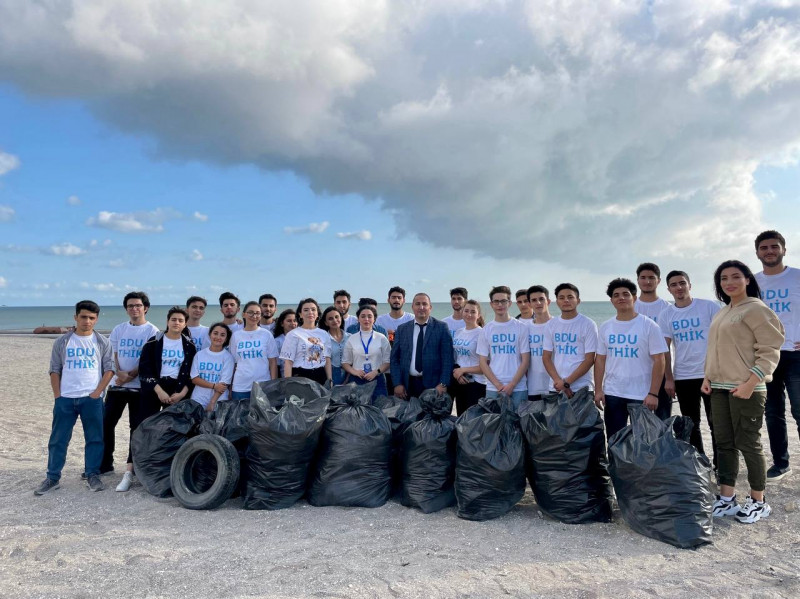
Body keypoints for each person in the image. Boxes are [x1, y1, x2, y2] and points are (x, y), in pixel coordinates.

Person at [703, 260, 784, 523]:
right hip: (719, 388)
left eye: (735, 276)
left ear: (748, 279)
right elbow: (715, 348)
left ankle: (759, 501)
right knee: (724, 444)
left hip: (746, 387)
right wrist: (707, 377)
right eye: (723, 278)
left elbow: (771, 349)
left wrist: (751, 382)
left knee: (749, 443)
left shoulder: (757, 309)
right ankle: (727, 498)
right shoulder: (723, 311)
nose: (729, 283)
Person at [35, 300, 115, 495]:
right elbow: (54, 369)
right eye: (83, 317)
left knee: (95, 439)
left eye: (91, 318)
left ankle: (92, 474)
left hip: (92, 398)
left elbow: (109, 369)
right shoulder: (62, 341)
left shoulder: (102, 341)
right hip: (66, 398)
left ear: (96, 320)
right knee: (58, 439)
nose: (87, 321)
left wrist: (97, 393)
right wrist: (58, 396)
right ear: (76, 317)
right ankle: (52, 477)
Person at [117, 306, 197, 492]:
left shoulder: (189, 346)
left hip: (178, 391)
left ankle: (169, 471)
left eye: (180, 320)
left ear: (185, 324)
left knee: (178, 431)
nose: (176, 323)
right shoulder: (153, 342)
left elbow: (192, 373)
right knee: (142, 428)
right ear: (168, 321)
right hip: (154, 389)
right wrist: (158, 390)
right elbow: (145, 369)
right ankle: (130, 472)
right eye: (173, 319)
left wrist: (183, 393)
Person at [594, 278, 668, 439]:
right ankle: (615, 465)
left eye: (625, 294)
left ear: (634, 298)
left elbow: (659, 360)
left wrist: (654, 393)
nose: (621, 298)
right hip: (613, 392)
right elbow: (600, 359)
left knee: (643, 441)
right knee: (614, 439)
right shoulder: (606, 326)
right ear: (612, 301)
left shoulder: (649, 325)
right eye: (616, 295)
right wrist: (598, 389)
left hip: (641, 395)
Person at [660, 270, 720, 466]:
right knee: (691, 423)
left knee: (716, 424)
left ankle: (722, 465)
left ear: (689, 285)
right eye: (674, 285)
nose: (679, 287)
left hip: (711, 374)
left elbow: (723, 338)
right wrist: (669, 378)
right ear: (668, 289)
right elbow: (665, 349)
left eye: (682, 283)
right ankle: (700, 461)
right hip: (684, 376)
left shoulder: (708, 307)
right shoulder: (666, 314)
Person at [754, 230, 800, 481]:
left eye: (774, 246)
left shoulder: (797, 277)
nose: (769, 251)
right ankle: (781, 463)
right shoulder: (752, 282)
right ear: (757, 253)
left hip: (794, 354)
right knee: (772, 413)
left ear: (784, 249)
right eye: (764, 248)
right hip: (764, 355)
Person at [100, 291, 159, 476]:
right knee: (106, 423)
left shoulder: (153, 331)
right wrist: (119, 373)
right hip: (118, 386)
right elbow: (113, 353)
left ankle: (132, 466)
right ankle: (105, 464)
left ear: (145, 308)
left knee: (137, 428)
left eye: (138, 305)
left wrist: (132, 374)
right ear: (126, 309)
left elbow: (148, 359)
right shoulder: (119, 329)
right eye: (131, 306)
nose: (134, 308)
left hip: (140, 389)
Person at [390, 292, 453, 398]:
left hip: (434, 386)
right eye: (418, 304)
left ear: (430, 307)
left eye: (425, 304)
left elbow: (448, 358)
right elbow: (394, 358)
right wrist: (397, 383)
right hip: (407, 386)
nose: (421, 307)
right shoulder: (402, 329)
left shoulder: (441, 328)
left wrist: (443, 384)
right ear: (412, 307)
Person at [477, 286, 531, 407]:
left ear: (510, 303)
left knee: (518, 424)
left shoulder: (521, 327)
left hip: (518, 387)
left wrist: (512, 384)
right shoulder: (486, 330)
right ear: (491, 304)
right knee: (495, 424)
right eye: (496, 301)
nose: (500, 305)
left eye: (503, 301)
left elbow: (526, 360)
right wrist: (497, 385)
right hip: (493, 387)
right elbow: (482, 362)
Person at [542, 283, 598, 400]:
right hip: (556, 387)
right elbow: (546, 357)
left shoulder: (588, 324)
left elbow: (589, 359)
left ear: (578, 300)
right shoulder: (551, 325)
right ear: (556, 301)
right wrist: (558, 381)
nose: (566, 300)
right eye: (561, 298)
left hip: (581, 387)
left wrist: (567, 382)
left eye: (570, 297)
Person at [634, 262, 672, 418]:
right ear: (638, 280)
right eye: (643, 277)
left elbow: (668, 345)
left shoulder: (667, 308)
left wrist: (670, 377)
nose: (647, 281)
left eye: (651, 277)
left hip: (661, 372)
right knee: (639, 422)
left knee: (662, 421)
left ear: (659, 281)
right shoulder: (632, 306)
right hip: (636, 372)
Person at [229, 301, 279, 399]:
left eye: (257, 313)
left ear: (260, 316)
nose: (254, 316)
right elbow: (234, 363)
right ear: (244, 314)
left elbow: (273, 363)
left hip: (263, 386)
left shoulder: (266, 334)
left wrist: (273, 385)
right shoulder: (236, 335)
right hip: (240, 387)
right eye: (250, 312)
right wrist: (230, 387)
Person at [342, 305, 391, 398]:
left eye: (369, 316)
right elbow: (345, 363)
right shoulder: (351, 338)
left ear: (374, 319)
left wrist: (376, 372)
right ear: (358, 319)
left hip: (377, 379)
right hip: (357, 380)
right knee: (358, 410)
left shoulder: (382, 338)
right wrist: (355, 372)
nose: (366, 319)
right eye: (363, 316)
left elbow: (387, 361)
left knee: (380, 407)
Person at [281, 298, 332, 385]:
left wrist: (330, 381)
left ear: (317, 314)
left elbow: (327, 359)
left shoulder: (324, 334)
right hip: (300, 376)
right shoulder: (293, 334)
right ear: (300, 314)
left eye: (313, 309)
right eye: (306, 310)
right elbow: (288, 362)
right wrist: (288, 384)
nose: (310, 312)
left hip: (320, 375)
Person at [451, 299, 487, 414]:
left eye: (473, 312)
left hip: (477, 384)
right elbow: (457, 358)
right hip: (460, 381)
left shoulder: (482, 333)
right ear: (462, 312)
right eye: (466, 311)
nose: (469, 314)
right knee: (461, 419)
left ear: (478, 315)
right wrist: (457, 373)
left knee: (473, 423)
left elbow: (486, 366)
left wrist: (463, 370)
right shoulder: (459, 332)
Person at [190, 323, 235, 412]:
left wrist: (212, 402)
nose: (218, 337)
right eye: (215, 333)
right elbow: (194, 379)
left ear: (226, 338)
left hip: (218, 400)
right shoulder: (199, 355)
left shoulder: (228, 357)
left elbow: (223, 384)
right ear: (210, 334)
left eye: (222, 335)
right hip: (198, 399)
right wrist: (214, 386)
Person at [526, 285, 553, 400]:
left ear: (548, 301)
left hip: (555, 386)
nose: (538, 303)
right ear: (529, 304)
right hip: (533, 386)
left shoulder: (557, 325)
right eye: (534, 300)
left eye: (541, 299)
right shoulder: (525, 328)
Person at [320, 306, 350, 385]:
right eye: (330, 319)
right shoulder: (323, 339)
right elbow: (326, 359)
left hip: (350, 373)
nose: (335, 320)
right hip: (331, 374)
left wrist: (348, 378)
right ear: (326, 322)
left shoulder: (350, 337)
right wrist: (330, 380)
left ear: (341, 318)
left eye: (337, 317)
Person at [272, 308, 298, 377]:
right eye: (289, 321)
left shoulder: (302, 339)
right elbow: (276, 365)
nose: (293, 323)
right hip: (286, 379)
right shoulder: (277, 341)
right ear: (282, 323)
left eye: (295, 321)